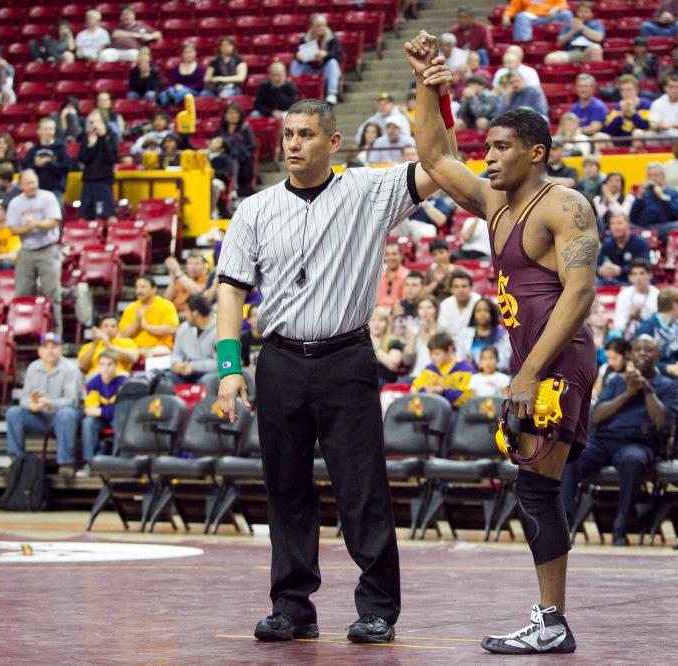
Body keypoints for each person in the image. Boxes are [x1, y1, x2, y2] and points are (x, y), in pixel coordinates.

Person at [212, 55, 460, 641]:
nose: (293, 145)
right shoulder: (253, 209)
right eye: (287, 135)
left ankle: (377, 607)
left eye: (305, 135)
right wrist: (229, 368)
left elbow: (438, 163)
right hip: (277, 361)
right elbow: (231, 292)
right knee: (287, 489)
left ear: (333, 140)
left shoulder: (368, 191)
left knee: (361, 486)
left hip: (345, 358)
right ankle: (292, 608)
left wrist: (432, 91)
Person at [409, 31, 598, 653]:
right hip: (532, 360)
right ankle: (551, 620)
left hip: (556, 359)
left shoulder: (563, 205)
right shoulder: (495, 203)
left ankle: (553, 622)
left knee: (537, 487)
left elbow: (579, 294)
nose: (488, 158)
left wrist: (527, 373)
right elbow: (435, 159)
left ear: (537, 152)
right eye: (486, 147)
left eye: (501, 148)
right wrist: (429, 86)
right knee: (534, 484)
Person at [562, 334, 678, 544]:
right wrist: (627, 393)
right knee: (571, 455)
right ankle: (564, 520)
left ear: (658, 355)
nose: (643, 353)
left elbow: (663, 422)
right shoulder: (617, 380)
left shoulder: (668, 386)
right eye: (638, 349)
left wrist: (647, 389)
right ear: (631, 355)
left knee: (632, 460)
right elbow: (596, 416)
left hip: (638, 443)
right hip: (603, 441)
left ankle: (621, 524)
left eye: (648, 349)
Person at [5, 333, 83, 479]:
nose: (50, 350)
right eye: (45, 347)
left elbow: (72, 400)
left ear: (60, 350)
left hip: (60, 416)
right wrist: (32, 404)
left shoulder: (71, 368)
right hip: (39, 416)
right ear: (39, 351)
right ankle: (17, 461)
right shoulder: (33, 368)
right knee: (13, 413)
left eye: (54, 347)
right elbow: (24, 398)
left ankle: (66, 464)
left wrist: (49, 402)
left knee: (67, 414)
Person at [7, 169, 63, 337]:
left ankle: (55, 334)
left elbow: (53, 222)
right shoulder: (15, 203)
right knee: (22, 293)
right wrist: (28, 227)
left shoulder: (48, 197)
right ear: (21, 185)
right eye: (28, 183)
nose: (32, 186)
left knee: (52, 293)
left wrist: (35, 224)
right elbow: (13, 229)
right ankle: (25, 332)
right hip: (26, 251)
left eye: (34, 182)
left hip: (48, 248)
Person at [635, 288, 678, 406]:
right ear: (674, 305)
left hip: (676, 370)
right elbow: (639, 360)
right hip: (654, 372)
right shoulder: (647, 327)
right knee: (668, 384)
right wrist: (666, 368)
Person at [80, 351, 126, 473]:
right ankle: (90, 463)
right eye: (102, 364)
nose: (105, 369)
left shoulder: (124, 382)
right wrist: (104, 411)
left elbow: (122, 409)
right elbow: (90, 409)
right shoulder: (93, 383)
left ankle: (118, 462)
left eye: (109, 364)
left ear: (116, 365)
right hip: (101, 419)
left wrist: (101, 411)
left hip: (119, 417)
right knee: (88, 422)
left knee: (121, 421)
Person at [119, 275, 180, 358]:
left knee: (160, 352)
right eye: (137, 287)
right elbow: (123, 335)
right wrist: (137, 322)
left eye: (143, 287)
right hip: (135, 349)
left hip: (158, 347)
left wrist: (147, 327)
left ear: (154, 289)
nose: (139, 291)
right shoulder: (131, 308)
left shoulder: (166, 305)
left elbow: (171, 329)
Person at [411, 331, 474, 408]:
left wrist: (443, 392)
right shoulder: (429, 369)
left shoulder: (465, 369)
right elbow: (416, 387)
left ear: (450, 349)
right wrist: (427, 391)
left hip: (454, 412)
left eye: (437, 354)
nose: (433, 357)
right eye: (431, 354)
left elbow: (466, 396)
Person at [290, 14, 342, 105]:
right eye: (318, 26)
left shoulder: (332, 38)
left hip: (324, 68)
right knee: (295, 64)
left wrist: (326, 54)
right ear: (312, 27)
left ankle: (332, 94)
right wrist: (298, 56)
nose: (321, 28)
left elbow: (337, 55)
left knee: (333, 63)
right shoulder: (305, 38)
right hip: (310, 67)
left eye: (323, 25)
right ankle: (293, 93)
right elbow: (297, 54)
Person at [166, 294, 218, 385]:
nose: (184, 314)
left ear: (195, 313)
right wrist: (176, 364)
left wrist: (193, 366)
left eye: (186, 310)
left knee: (205, 381)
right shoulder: (183, 328)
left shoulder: (220, 330)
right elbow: (176, 353)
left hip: (209, 374)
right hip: (185, 372)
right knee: (163, 379)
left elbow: (222, 363)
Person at [78, 111, 117, 222]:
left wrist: (103, 137)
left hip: (103, 180)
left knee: (107, 215)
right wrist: (90, 145)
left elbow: (111, 158)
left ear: (102, 121)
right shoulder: (88, 136)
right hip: (88, 180)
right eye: (91, 122)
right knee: (84, 216)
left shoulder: (111, 135)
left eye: (94, 121)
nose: (93, 125)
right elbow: (82, 159)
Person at [629, 163, 678, 241]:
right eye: (650, 176)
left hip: (663, 227)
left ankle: (647, 235)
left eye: (656, 175)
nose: (653, 178)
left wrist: (662, 196)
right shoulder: (643, 194)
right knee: (625, 227)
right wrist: (639, 198)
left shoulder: (672, 193)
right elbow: (632, 218)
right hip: (642, 227)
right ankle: (646, 234)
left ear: (663, 177)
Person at [22, 118, 71, 205]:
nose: (49, 132)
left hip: (55, 189)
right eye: (46, 129)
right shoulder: (33, 150)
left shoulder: (61, 148)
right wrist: (36, 165)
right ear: (39, 131)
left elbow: (66, 168)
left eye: (51, 129)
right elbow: (25, 169)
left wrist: (48, 163)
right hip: (36, 190)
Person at [77, 313, 139, 379]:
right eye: (106, 326)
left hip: (119, 378)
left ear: (118, 329)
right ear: (100, 329)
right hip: (95, 378)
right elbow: (82, 366)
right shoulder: (88, 347)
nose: (109, 329)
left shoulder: (126, 342)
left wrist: (109, 345)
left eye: (113, 326)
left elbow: (133, 358)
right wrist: (95, 343)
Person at [596, 211, 649, 286]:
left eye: (619, 223)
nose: (616, 227)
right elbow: (598, 263)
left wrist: (620, 270)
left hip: (631, 281)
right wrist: (599, 270)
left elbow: (644, 265)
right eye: (612, 224)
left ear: (628, 225)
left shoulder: (640, 243)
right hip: (609, 280)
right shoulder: (607, 243)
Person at [216, 103, 257, 197]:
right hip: (223, 157)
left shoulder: (245, 127)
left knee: (234, 157)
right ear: (225, 116)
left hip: (241, 158)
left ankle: (235, 188)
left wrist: (237, 149)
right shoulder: (220, 129)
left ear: (240, 115)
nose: (232, 116)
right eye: (230, 113)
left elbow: (252, 146)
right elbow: (215, 143)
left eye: (235, 113)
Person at [612, 259, 659, 338]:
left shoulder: (657, 295)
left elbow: (658, 325)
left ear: (650, 275)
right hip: (628, 334)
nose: (638, 277)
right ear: (630, 277)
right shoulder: (624, 294)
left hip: (651, 336)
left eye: (642, 273)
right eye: (634, 274)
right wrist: (630, 316)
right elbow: (618, 323)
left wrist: (640, 317)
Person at [158, 42, 205, 108]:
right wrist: (176, 87)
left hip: (193, 90)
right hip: (177, 89)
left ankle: (172, 102)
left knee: (183, 92)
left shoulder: (199, 68)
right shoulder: (177, 68)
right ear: (182, 54)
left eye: (191, 52)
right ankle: (162, 104)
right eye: (186, 52)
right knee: (168, 90)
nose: (188, 55)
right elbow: (172, 82)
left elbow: (200, 84)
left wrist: (184, 87)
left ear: (195, 53)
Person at [502, 0, 574, 43]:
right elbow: (513, 6)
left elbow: (563, 3)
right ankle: (524, 43)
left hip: (550, 16)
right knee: (521, 17)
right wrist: (507, 15)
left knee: (566, 14)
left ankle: (567, 40)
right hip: (532, 17)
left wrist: (556, 8)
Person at [164, 252, 211, 316]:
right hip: (175, 313)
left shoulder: (207, 279)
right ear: (186, 265)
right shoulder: (180, 279)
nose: (193, 267)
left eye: (197, 263)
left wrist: (178, 271)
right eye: (190, 263)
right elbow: (166, 299)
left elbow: (198, 292)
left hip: (193, 316)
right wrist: (172, 278)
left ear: (204, 265)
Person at [438, 270, 482, 337]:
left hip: (476, 342)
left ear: (471, 287)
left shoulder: (479, 302)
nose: (460, 290)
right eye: (456, 287)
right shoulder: (445, 304)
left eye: (464, 286)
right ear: (451, 289)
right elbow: (442, 330)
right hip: (450, 343)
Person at [368, 307, 405, 386]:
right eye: (373, 320)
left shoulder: (393, 341)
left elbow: (392, 365)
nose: (376, 324)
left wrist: (375, 347)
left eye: (380, 320)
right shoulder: (362, 341)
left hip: (382, 380)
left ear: (387, 323)